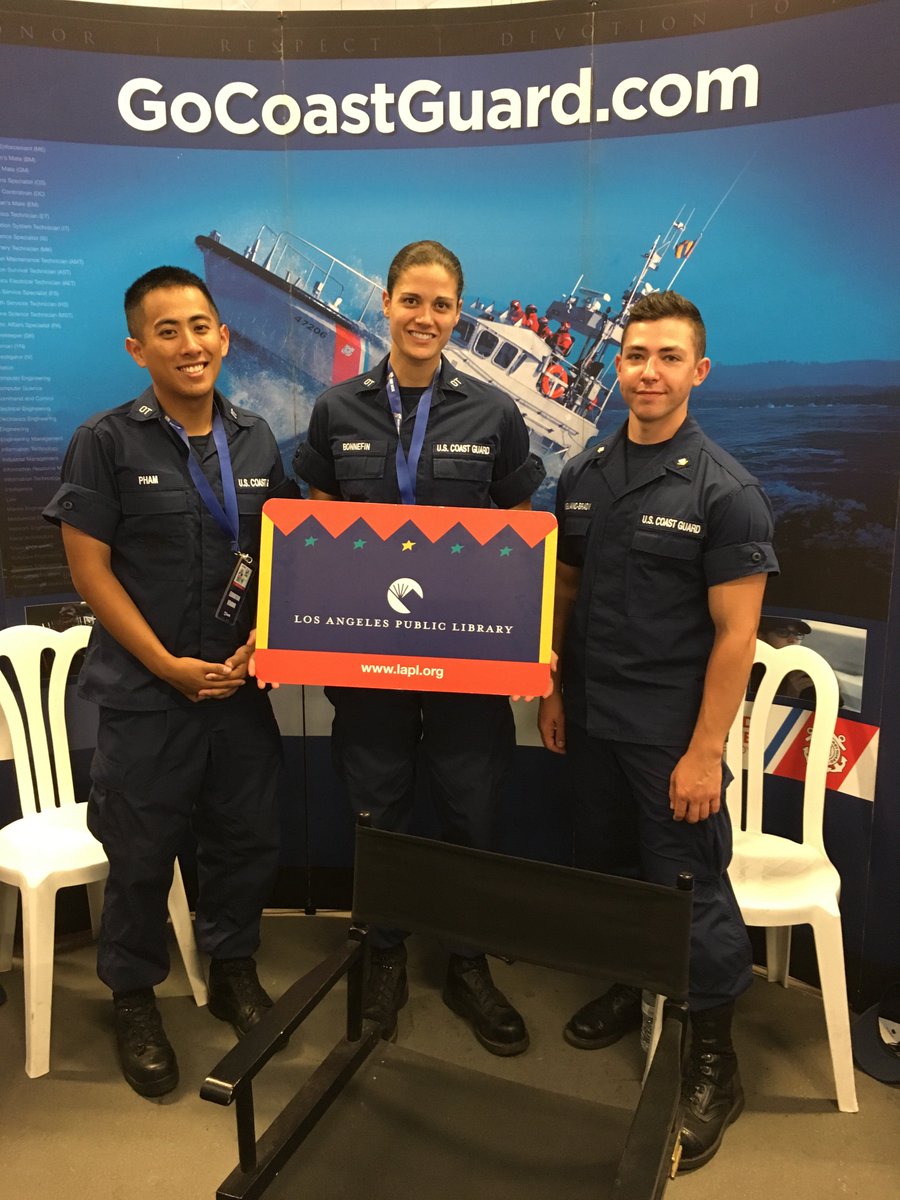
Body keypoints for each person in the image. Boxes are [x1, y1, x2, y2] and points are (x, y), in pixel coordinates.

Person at [538, 291, 778, 1171]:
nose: (648, 371)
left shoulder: (727, 492)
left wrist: (706, 751)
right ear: (620, 365)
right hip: (593, 721)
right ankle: (628, 986)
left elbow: (736, 638)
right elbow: (565, 595)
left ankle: (714, 1061)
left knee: (690, 891)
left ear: (697, 371)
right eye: (636, 355)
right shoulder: (585, 475)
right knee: (608, 868)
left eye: (668, 357)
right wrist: (558, 692)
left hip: (670, 737)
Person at [293, 240, 545, 1056]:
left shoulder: (493, 414)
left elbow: (516, 532)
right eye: (411, 300)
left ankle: (468, 962)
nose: (425, 317)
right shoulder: (337, 410)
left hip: (466, 666)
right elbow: (322, 524)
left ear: (457, 315)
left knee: (472, 814)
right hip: (370, 667)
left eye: (441, 305)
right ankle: (386, 956)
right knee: (379, 814)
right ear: (386, 305)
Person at [43, 267, 286, 1097]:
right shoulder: (105, 441)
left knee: (243, 842)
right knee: (140, 856)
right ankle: (135, 996)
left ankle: (233, 969)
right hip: (149, 696)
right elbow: (90, 571)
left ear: (225, 336)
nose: (190, 344)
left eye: (202, 326)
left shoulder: (256, 439)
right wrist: (166, 666)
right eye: (168, 331)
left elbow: (284, 558)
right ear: (137, 347)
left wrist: (259, 643)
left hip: (239, 691)